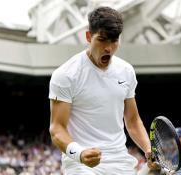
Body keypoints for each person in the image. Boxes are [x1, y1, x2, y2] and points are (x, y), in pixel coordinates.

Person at [49, 6, 157, 175]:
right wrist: (80, 153)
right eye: (102, 39)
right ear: (88, 37)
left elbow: (133, 120)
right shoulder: (65, 75)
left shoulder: (126, 71)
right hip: (80, 164)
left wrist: (148, 149)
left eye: (114, 41)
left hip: (119, 159)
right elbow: (56, 129)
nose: (109, 48)